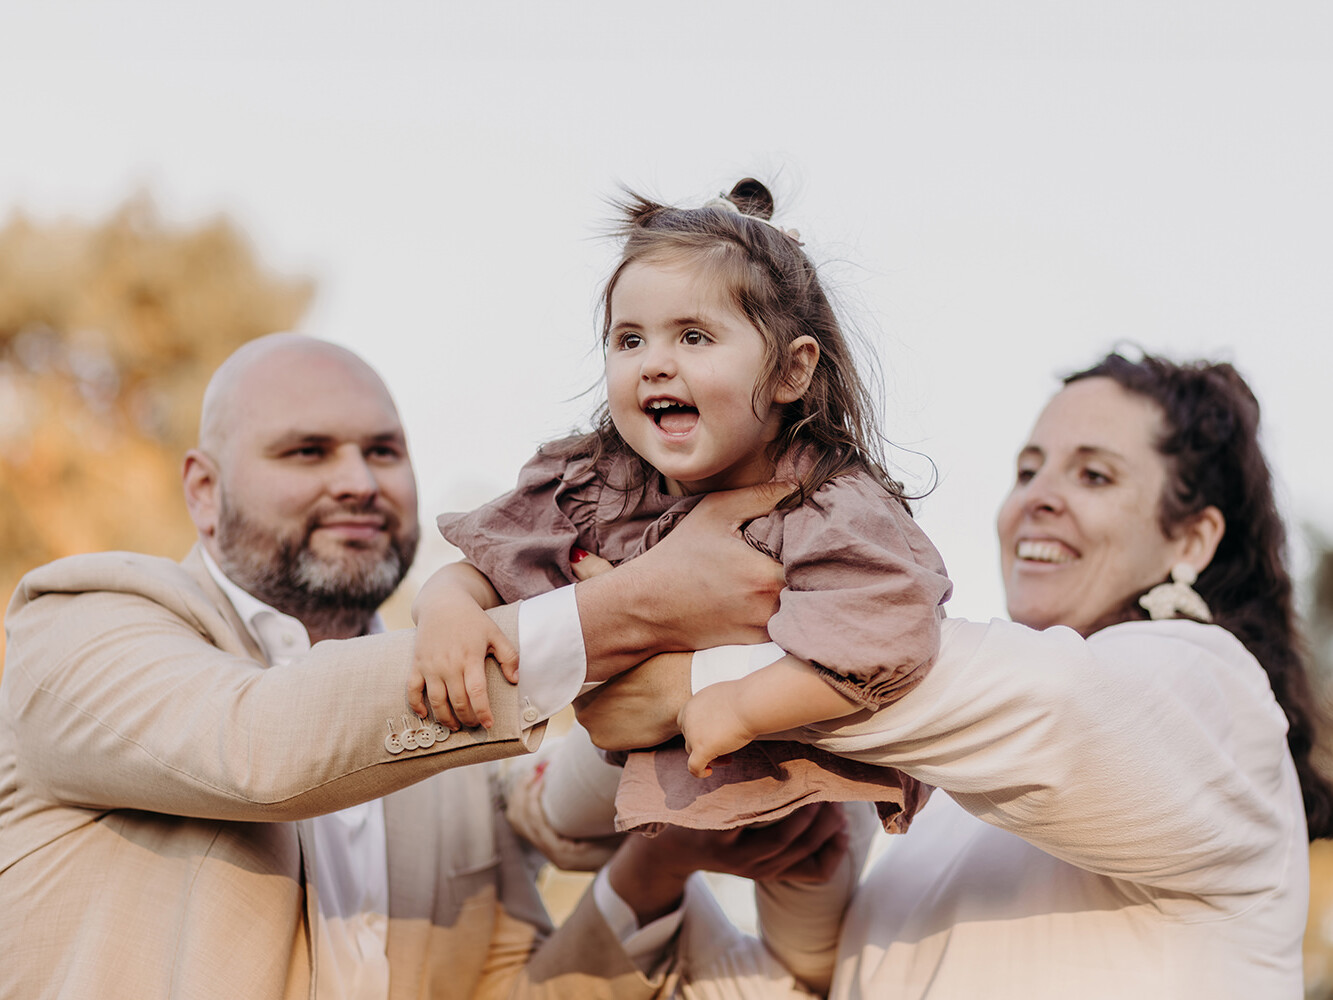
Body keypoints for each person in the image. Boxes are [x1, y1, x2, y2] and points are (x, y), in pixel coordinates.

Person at [0, 333, 852, 1000]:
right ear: (201, 488)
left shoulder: (448, 758)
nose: (358, 482)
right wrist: (638, 604)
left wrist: (658, 866)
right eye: (306, 452)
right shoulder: (80, 619)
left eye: (382, 451)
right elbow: (256, 744)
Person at [571, 350, 1333, 998]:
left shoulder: (1218, 696)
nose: (1037, 498)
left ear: (1191, 540)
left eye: (1093, 476)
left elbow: (1059, 703)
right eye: (1027, 469)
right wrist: (696, 872)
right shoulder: (942, 806)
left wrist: (696, 682)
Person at [408, 178, 950, 834]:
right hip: (668, 793)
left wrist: (746, 704)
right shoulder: (598, 482)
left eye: (693, 337)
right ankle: (528, 806)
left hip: (807, 798)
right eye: (629, 340)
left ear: (791, 371)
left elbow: (883, 633)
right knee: (575, 838)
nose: (654, 364)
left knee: (812, 909)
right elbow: (491, 565)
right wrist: (446, 610)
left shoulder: (827, 506)